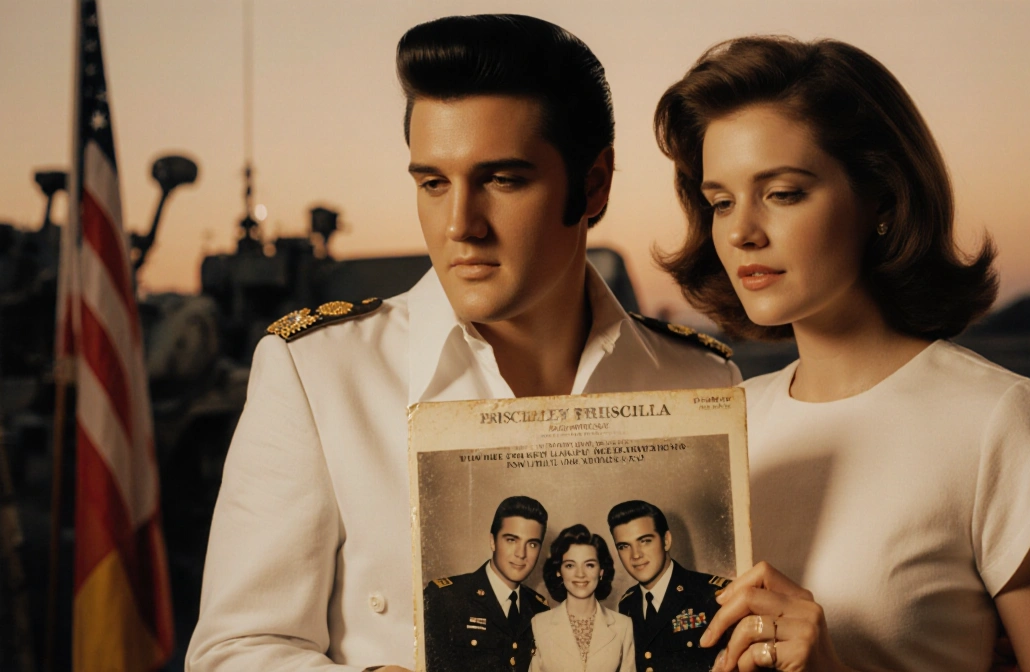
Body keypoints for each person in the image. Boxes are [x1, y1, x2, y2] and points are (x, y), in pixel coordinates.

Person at [185, 14, 740, 672]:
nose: (459, 225)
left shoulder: (702, 381)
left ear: (593, 184)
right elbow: (233, 652)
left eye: (503, 180)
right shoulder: (319, 374)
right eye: (433, 183)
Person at [652, 36, 1030, 672]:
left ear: (881, 197)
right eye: (721, 202)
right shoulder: (725, 422)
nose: (741, 232)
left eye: (783, 193)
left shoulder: (999, 422)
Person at [422, 496, 550, 672]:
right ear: (492, 541)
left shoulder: (539, 609)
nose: (521, 554)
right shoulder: (446, 598)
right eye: (511, 540)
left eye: (532, 544)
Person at [606, 500, 729, 672]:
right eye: (624, 546)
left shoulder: (713, 593)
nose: (635, 555)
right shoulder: (627, 603)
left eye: (645, 541)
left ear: (666, 541)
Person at [529, 524, 634, 672]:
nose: (580, 574)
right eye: (570, 565)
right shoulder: (539, 624)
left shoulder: (623, 625)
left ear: (601, 571)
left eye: (589, 565)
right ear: (559, 571)